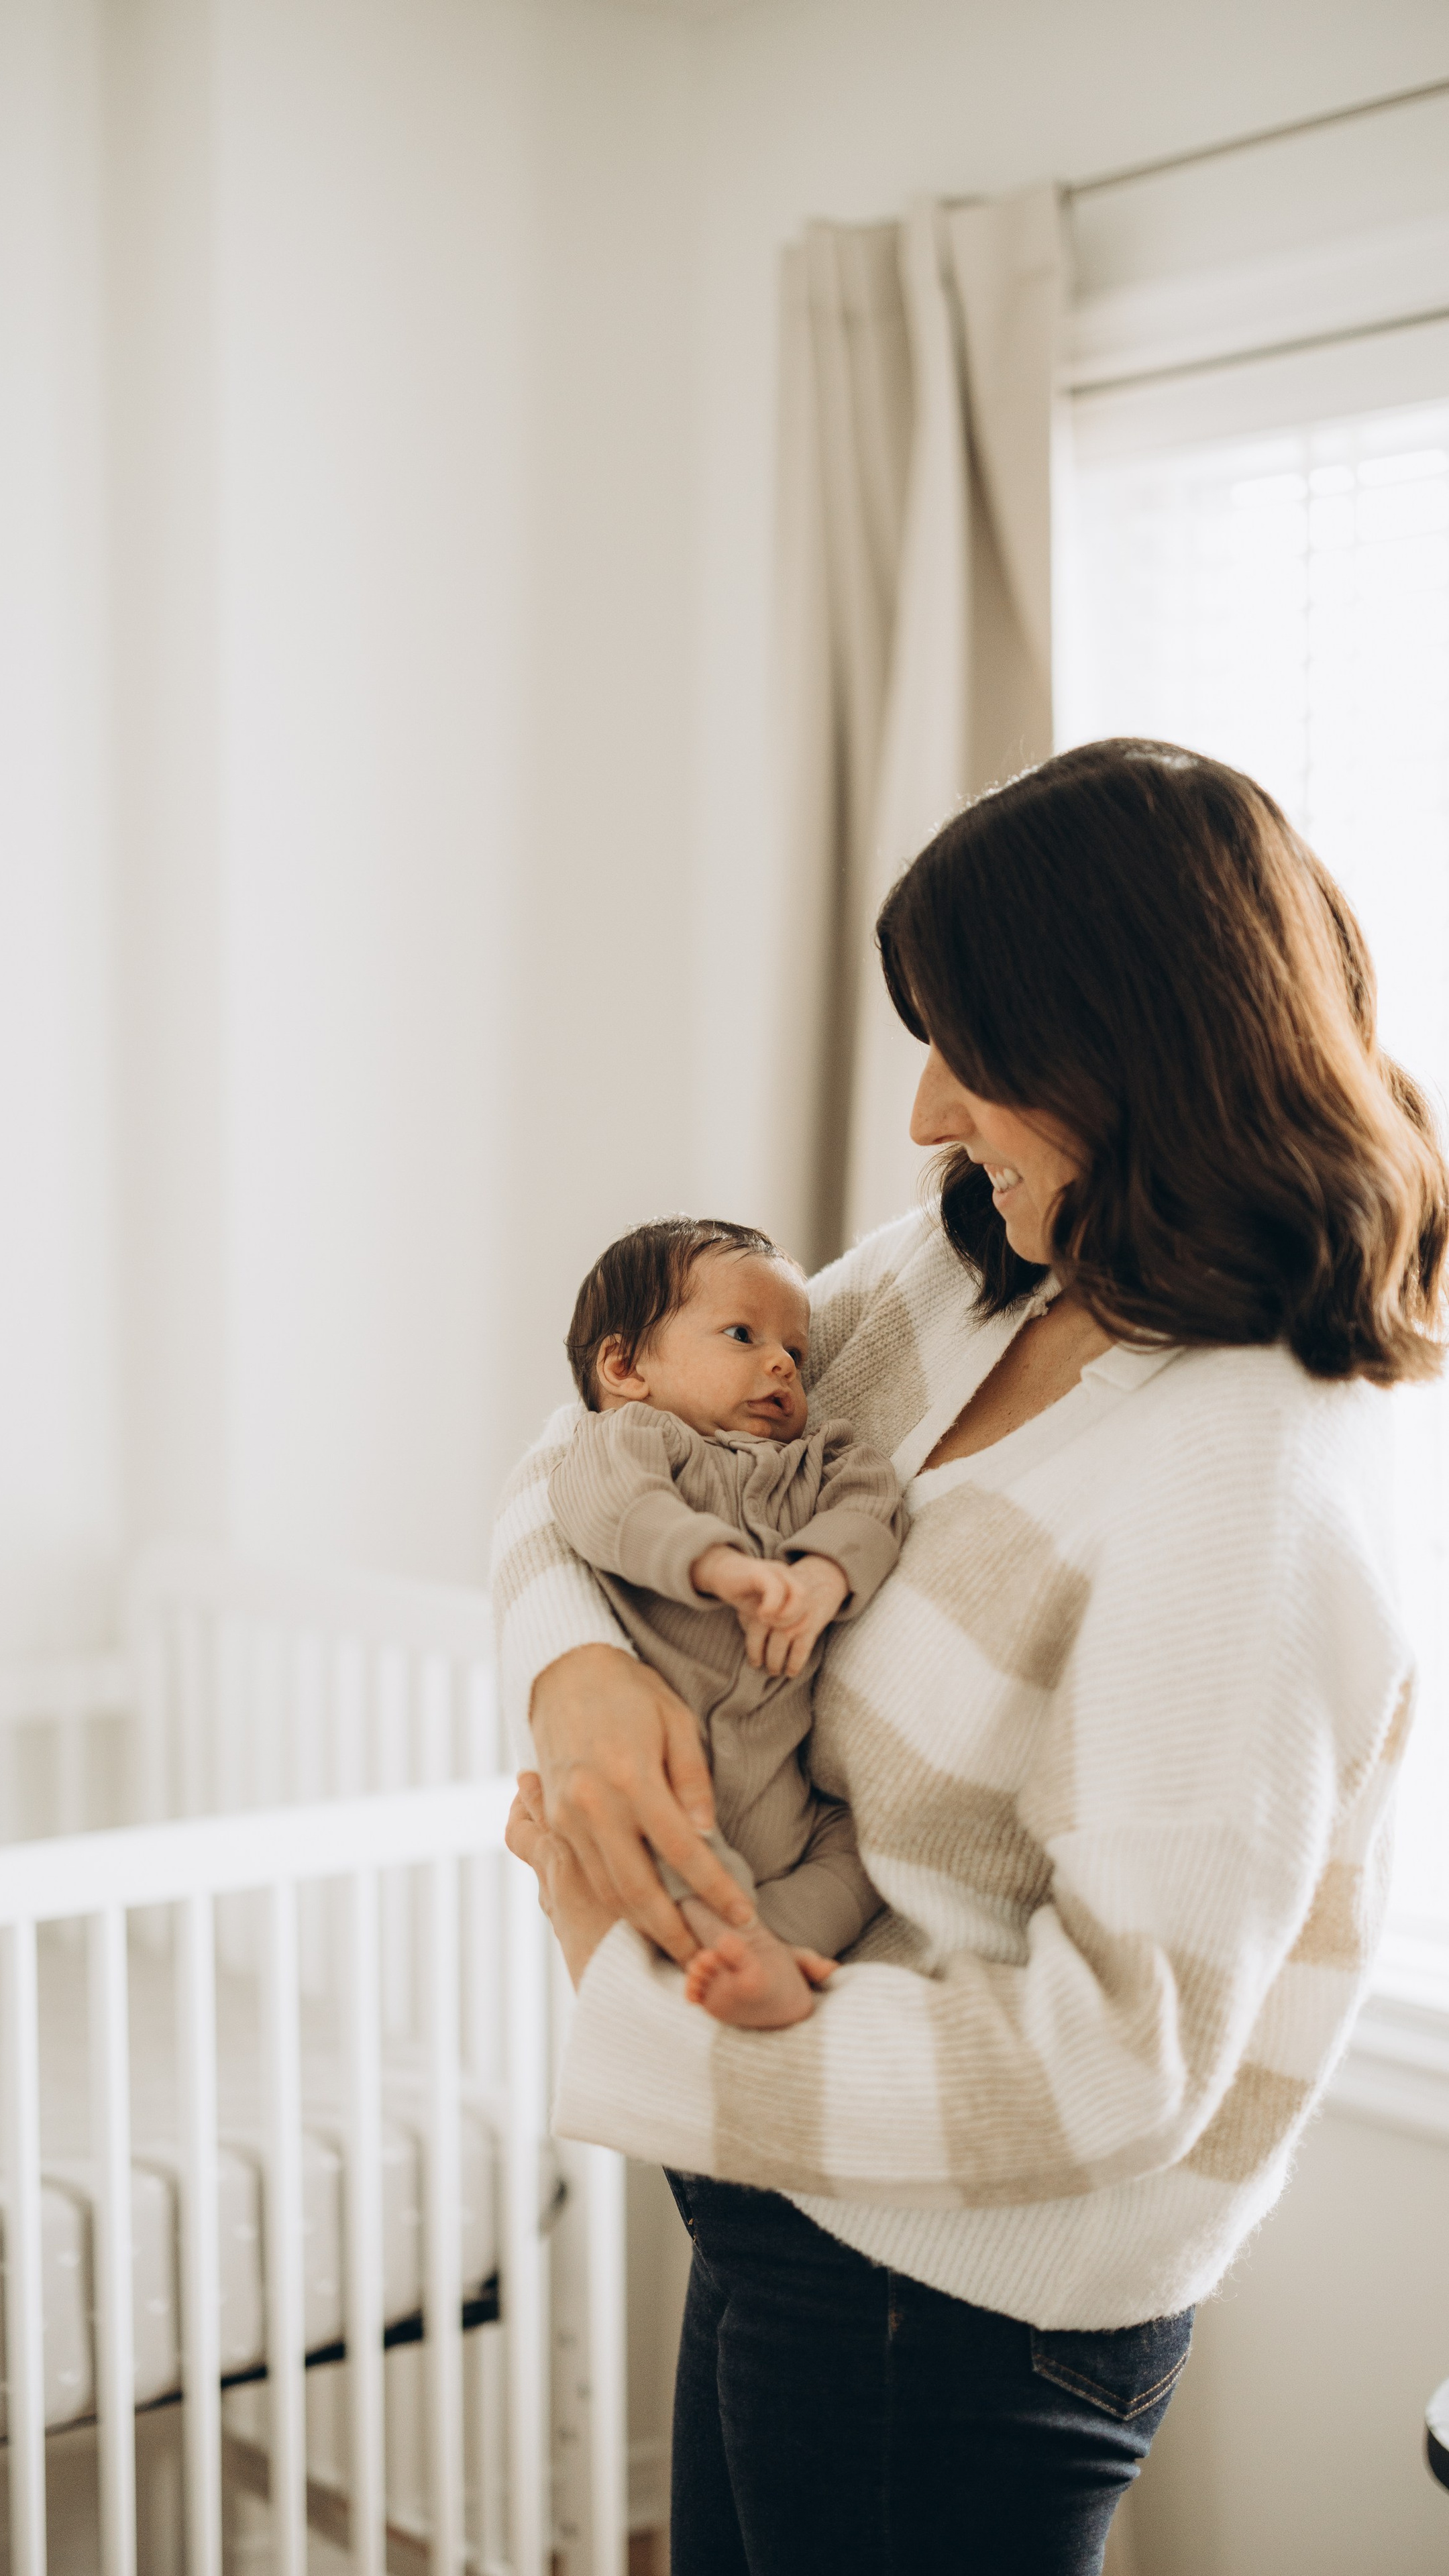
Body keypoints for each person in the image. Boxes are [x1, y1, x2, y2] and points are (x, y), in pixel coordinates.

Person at [492, 740, 1446, 2576]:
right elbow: (586, 1441)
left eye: (970, 1050)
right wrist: (578, 1678)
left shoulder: (1245, 1481)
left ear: (1126, 1054)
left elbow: (1121, 2058)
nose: (926, 1113)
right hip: (793, 2204)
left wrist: (627, 1982)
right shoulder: (987, 1272)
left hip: (956, 2306)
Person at [548, 1214, 906, 2026]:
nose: (781, 1361)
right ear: (625, 1366)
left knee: (861, 1853)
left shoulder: (822, 1458)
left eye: (796, 1352)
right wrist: (718, 1564)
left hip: (787, 1793)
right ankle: (736, 1952)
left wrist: (821, 1574)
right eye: (742, 1334)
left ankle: (770, 1941)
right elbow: (613, 1510)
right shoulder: (633, 1438)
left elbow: (873, 1506)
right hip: (674, 1776)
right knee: (664, 1852)